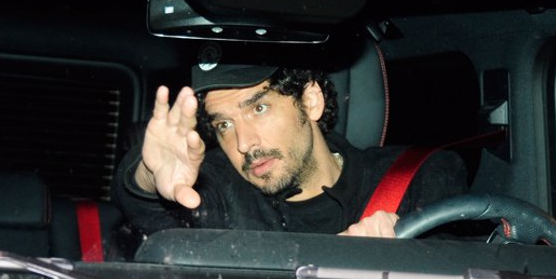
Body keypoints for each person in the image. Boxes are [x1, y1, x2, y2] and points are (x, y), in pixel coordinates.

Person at [112, 57, 468, 238]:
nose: (244, 143)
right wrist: (147, 174)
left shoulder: (413, 177)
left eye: (259, 108)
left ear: (310, 101)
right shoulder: (220, 190)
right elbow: (144, 208)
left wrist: (409, 258)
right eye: (224, 124)